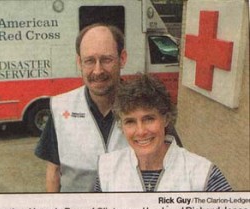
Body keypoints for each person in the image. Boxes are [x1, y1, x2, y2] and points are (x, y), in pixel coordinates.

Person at [35, 23, 182, 192]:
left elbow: (175, 166)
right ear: (79, 62)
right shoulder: (61, 108)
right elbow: (53, 171)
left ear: (122, 59)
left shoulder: (149, 106)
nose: (97, 71)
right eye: (89, 61)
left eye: (106, 60)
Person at [95, 73, 232, 192]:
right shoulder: (107, 169)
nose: (141, 131)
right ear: (121, 126)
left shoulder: (203, 174)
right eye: (130, 122)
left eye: (149, 119)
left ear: (166, 119)